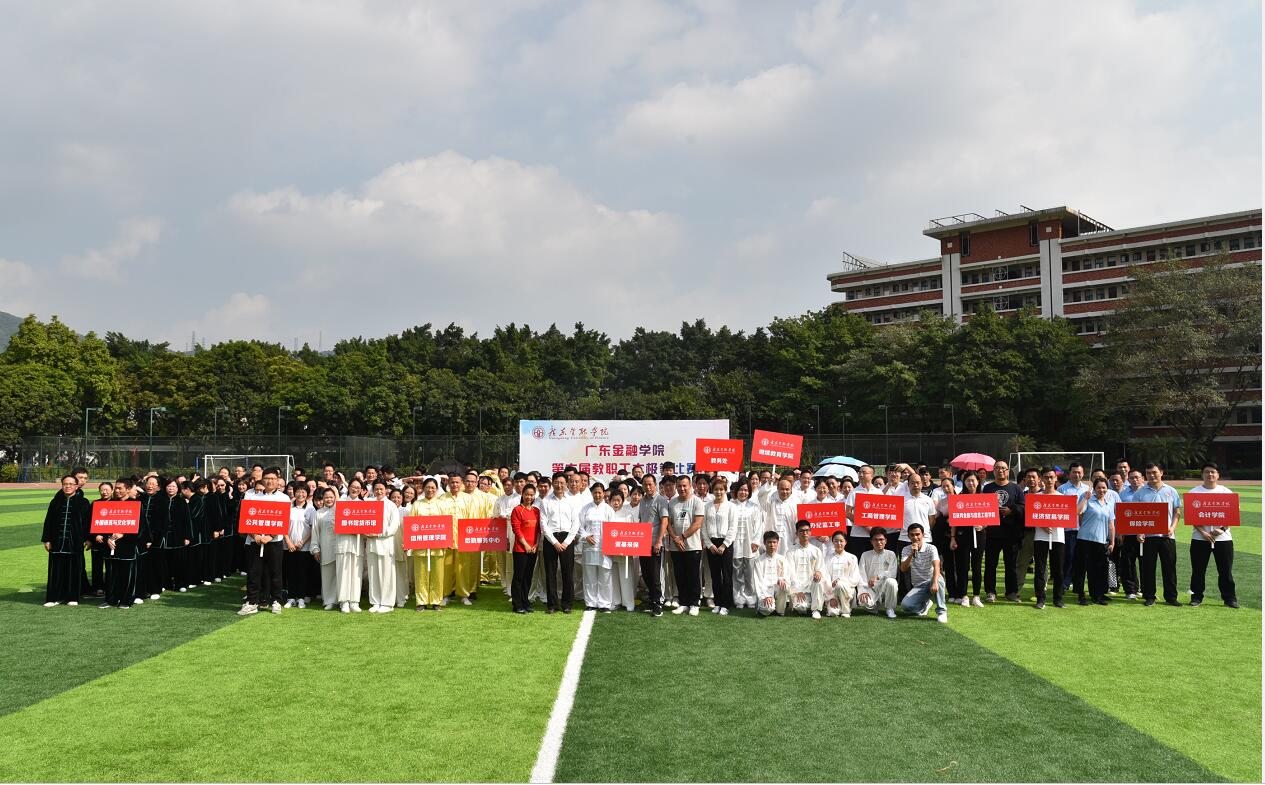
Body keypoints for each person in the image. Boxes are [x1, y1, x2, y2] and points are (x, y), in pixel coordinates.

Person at [239, 466, 290, 616]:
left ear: (277, 481)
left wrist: (270, 536)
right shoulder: (252, 496)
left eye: (273, 479)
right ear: (262, 480)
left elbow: (284, 521)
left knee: (275, 573)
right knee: (254, 572)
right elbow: (246, 520)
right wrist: (255, 536)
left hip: (274, 542)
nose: (269, 481)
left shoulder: (283, 498)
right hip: (255, 541)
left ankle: (276, 601)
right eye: (267, 478)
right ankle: (252, 602)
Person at [1187, 463, 1238, 609]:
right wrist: (1203, 532)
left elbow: (1233, 514)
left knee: (1225, 570)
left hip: (1223, 538)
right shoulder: (1194, 492)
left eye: (1213, 472)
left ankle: (1230, 598)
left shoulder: (1226, 492)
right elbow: (1191, 517)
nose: (1210, 475)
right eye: (1207, 472)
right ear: (1202, 474)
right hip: (1199, 538)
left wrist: (1222, 529)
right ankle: (1196, 597)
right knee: (1198, 570)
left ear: (1218, 475)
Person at [1132, 462, 1182, 607]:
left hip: (1167, 536)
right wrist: (1139, 531)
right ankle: (1149, 596)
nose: (1151, 475)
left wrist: (1172, 527)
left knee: (1169, 568)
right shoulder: (1140, 493)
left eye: (1154, 472)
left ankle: (1171, 597)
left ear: (1161, 472)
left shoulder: (1171, 491)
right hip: (1148, 537)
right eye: (1148, 473)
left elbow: (1177, 512)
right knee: (1148, 568)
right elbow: (1135, 516)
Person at [41, 475, 91, 607]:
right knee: (56, 571)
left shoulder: (84, 502)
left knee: (74, 570)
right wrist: (47, 539)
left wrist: (88, 539)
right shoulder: (55, 502)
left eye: (70, 484)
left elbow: (87, 523)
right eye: (65, 484)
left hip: (75, 542)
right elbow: (48, 522)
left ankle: (72, 597)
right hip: (57, 542)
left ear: (76, 486)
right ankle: (54, 597)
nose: (68, 486)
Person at [405, 477, 453, 611]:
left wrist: (448, 540)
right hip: (420, 546)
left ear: (436, 489)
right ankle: (421, 601)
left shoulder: (442, 504)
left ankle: (436, 601)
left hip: (437, 547)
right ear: (423, 488)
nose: (430, 490)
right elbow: (411, 524)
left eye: (433, 487)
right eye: (427, 487)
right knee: (421, 574)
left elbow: (447, 524)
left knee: (438, 574)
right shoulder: (417, 504)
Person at [982, 460, 1024, 603]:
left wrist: (1011, 510)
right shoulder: (987, 488)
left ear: (1008, 471)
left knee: (1011, 564)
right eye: (997, 468)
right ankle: (990, 591)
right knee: (990, 564)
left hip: (1011, 534)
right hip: (992, 533)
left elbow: (1023, 507)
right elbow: (981, 507)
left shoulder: (1016, 488)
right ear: (993, 471)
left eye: (1003, 468)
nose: (1000, 471)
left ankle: (1011, 592)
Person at [539, 472, 580, 614]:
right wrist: (555, 542)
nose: (559, 485)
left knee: (567, 573)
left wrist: (567, 542)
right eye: (556, 482)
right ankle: (552, 604)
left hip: (567, 539)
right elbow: (543, 525)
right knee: (550, 573)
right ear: (553, 484)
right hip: (551, 539)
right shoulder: (545, 501)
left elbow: (576, 523)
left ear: (566, 484)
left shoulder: (572, 501)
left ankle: (567, 603)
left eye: (562, 483)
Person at [667, 474, 705, 616]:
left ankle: (694, 603)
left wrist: (682, 537)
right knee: (680, 575)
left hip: (692, 545)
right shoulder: (672, 502)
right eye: (679, 486)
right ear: (676, 487)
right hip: (676, 546)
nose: (682, 488)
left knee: (693, 575)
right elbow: (668, 523)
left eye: (685, 486)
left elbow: (698, 523)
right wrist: (675, 539)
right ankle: (683, 603)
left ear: (690, 486)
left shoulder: (697, 501)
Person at [1074, 477, 1115, 605]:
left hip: (1101, 541)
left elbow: (1111, 525)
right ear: (1094, 488)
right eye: (1098, 487)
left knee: (1097, 570)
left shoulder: (1109, 504)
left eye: (1104, 487)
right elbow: (1078, 511)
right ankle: (1081, 595)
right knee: (1081, 569)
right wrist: (1086, 498)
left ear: (1107, 489)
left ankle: (1097, 595)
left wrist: (1112, 542)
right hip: (1085, 540)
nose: (1101, 490)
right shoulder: (1088, 499)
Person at [948, 472, 987, 608]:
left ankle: (976, 596)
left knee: (977, 567)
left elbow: (990, 517)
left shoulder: (984, 498)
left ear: (978, 481)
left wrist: (982, 525)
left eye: (973, 480)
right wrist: (952, 538)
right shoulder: (959, 498)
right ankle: (963, 595)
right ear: (964, 483)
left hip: (979, 535)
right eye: (968, 481)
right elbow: (953, 521)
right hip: (962, 535)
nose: (971, 483)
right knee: (962, 566)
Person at [636, 474, 670, 617]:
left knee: (655, 576)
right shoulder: (642, 501)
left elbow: (664, 521)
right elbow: (640, 521)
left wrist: (659, 541)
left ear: (655, 485)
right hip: (643, 543)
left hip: (655, 543)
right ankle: (651, 600)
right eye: (645, 484)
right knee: (646, 574)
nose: (648, 487)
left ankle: (658, 603)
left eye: (650, 484)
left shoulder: (661, 500)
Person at [1031, 468, 1066, 610]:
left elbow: (1068, 517)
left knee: (1058, 570)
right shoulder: (1036, 497)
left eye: (1051, 477)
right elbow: (1031, 517)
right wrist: (1042, 525)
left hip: (1058, 538)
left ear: (1056, 479)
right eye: (1046, 477)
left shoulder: (1062, 497)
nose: (1049, 480)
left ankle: (1058, 599)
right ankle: (1040, 599)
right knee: (1040, 569)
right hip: (1040, 537)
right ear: (1042, 479)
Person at [364, 480, 401, 613]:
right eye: (376, 489)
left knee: (386, 574)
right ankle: (375, 601)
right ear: (373, 490)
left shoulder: (391, 505)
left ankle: (387, 603)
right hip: (372, 545)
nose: (379, 491)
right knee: (373, 574)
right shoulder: (369, 504)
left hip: (385, 544)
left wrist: (379, 534)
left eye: (381, 489)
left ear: (386, 490)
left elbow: (394, 526)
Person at [899, 523, 948, 623]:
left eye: (917, 534)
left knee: (938, 578)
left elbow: (937, 566)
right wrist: (911, 555)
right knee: (906, 606)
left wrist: (934, 582)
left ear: (923, 535)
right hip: (918, 586)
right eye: (912, 535)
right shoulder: (906, 550)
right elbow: (903, 569)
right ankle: (924, 606)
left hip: (931, 581)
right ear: (908, 536)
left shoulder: (931, 548)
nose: (915, 537)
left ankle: (942, 612)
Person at [579, 483, 615, 612]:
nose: (598, 495)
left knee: (605, 577)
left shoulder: (608, 510)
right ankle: (591, 602)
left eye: (600, 492)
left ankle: (605, 604)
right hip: (589, 547)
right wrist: (586, 536)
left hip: (605, 548)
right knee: (590, 577)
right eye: (595, 492)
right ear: (592, 493)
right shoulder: (585, 509)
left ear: (604, 493)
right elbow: (579, 527)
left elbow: (613, 530)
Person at [702, 477, 735, 616]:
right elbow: (703, 527)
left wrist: (724, 545)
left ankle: (726, 604)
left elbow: (733, 527)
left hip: (725, 544)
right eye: (716, 489)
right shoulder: (707, 506)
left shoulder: (731, 506)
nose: (719, 492)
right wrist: (709, 544)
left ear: (725, 490)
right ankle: (718, 602)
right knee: (714, 575)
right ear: (712, 490)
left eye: (721, 489)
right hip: (712, 545)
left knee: (726, 576)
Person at [1057, 462, 1091, 592]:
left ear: (1082, 474)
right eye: (1074, 472)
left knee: (1081, 559)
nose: (1076, 474)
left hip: (1084, 530)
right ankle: (1065, 584)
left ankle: (1078, 585)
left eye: (1079, 472)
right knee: (1068, 558)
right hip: (1068, 530)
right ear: (1069, 473)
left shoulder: (1088, 489)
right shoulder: (1062, 489)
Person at [510, 483, 541, 613]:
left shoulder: (536, 511)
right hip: (520, 549)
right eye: (527, 494)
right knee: (519, 577)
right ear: (522, 495)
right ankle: (517, 604)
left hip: (533, 549)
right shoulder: (517, 510)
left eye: (532, 495)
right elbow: (516, 530)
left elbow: (539, 530)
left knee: (528, 577)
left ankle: (525, 601)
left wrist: (535, 545)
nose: (529, 497)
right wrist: (526, 545)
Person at [729, 481, 760, 609]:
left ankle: (750, 598)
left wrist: (756, 541)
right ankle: (738, 598)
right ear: (736, 491)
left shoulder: (754, 507)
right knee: (737, 573)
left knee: (750, 572)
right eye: (741, 490)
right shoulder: (730, 505)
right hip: (735, 543)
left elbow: (758, 526)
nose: (743, 492)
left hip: (749, 543)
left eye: (746, 490)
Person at [786, 520, 826, 619]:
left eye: (807, 531)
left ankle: (816, 609)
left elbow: (821, 568)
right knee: (801, 608)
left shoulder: (816, 551)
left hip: (811, 586)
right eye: (801, 531)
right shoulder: (790, 551)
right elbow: (790, 573)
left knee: (818, 580)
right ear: (796, 533)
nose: (804, 533)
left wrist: (819, 572)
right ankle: (805, 603)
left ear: (810, 532)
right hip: (798, 589)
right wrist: (797, 590)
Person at [283, 483, 315, 608]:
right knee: (290, 572)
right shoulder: (288, 507)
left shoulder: (311, 509)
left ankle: (301, 598)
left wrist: (302, 542)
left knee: (302, 573)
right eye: (298, 491)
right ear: (294, 492)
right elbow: (283, 526)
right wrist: (289, 542)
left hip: (304, 547)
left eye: (303, 492)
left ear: (307, 494)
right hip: (288, 546)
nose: (300, 494)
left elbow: (313, 528)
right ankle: (291, 598)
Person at [309, 487, 339, 610]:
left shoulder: (340, 510)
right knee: (327, 574)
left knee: (339, 574)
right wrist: (315, 548)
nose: (328, 499)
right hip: (325, 547)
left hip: (339, 547)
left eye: (331, 497)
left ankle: (339, 599)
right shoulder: (319, 513)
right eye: (326, 497)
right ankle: (329, 600)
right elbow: (315, 531)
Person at [858, 528, 899, 618]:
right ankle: (876, 606)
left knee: (892, 582)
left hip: (885, 587)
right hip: (871, 588)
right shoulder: (865, 555)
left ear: (886, 541)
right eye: (875, 540)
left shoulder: (891, 554)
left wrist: (877, 576)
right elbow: (861, 574)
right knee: (864, 602)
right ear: (871, 541)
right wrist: (863, 591)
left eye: (881, 539)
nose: (878, 542)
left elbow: (892, 573)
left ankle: (889, 608)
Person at [823, 531, 863, 618]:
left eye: (841, 541)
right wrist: (831, 597)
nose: (839, 543)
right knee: (833, 613)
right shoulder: (827, 558)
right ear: (832, 542)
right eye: (836, 541)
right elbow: (825, 578)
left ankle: (846, 610)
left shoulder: (852, 557)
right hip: (831, 591)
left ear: (845, 542)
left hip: (847, 591)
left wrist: (841, 581)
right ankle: (835, 604)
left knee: (840, 585)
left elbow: (855, 578)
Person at [161, 478, 192, 592]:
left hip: (178, 536)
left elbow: (187, 520)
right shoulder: (161, 500)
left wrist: (187, 536)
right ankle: (166, 583)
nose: (171, 488)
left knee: (179, 561)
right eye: (169, 486)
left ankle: (181, 584)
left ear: (177, 488)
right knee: (165, 561)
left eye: (173, 486)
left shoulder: (182, 501)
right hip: (164, 536)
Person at [752, 531, 791, 617]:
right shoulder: (758, 561)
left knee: (784, 585)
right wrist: (765, 596)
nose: (772, 545)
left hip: (777, 590)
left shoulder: (782, 559)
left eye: (774, 542)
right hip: (764, 591)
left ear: (778, 543)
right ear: (764, 543)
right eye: (769, 542)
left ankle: (780, 609)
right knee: (767, 610)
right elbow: (758, 581)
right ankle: (762, 604)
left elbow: (787, 575)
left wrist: (782, 579)